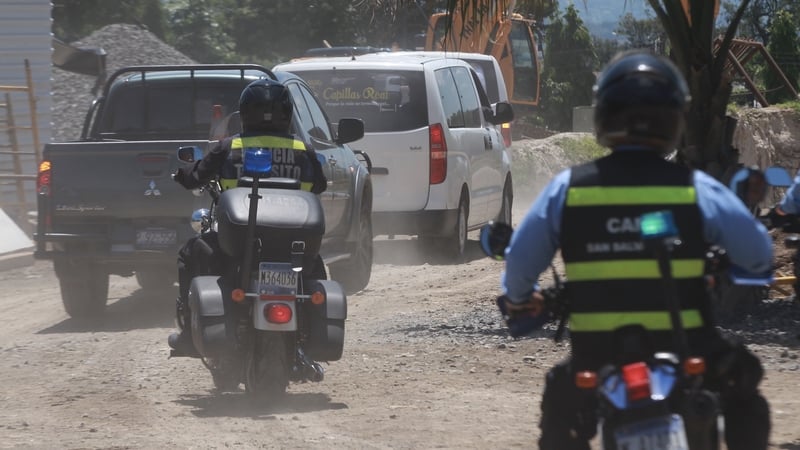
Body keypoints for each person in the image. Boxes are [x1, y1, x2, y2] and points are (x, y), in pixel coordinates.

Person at [499, 51, 772, 450]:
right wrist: (732, 268)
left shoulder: (567, 189)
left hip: (595, 359)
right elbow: (758, 253)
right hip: (689, 352)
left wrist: (521, 300)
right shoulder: (695, 188)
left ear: (604, 114)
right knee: (745, 387)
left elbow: (520, 264)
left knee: (560, 406)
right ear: (674, 117)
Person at [168, 78, 327, 357]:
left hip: (239, 242)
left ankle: (188, 334)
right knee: (316, 267)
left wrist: (181, 175)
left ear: (245, 113)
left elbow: (196, 177)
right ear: (287, 113)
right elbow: (320, 185)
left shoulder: (229, 147)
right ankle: (312, 333)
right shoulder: (303, 150)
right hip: (293, 245)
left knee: (190, 253)